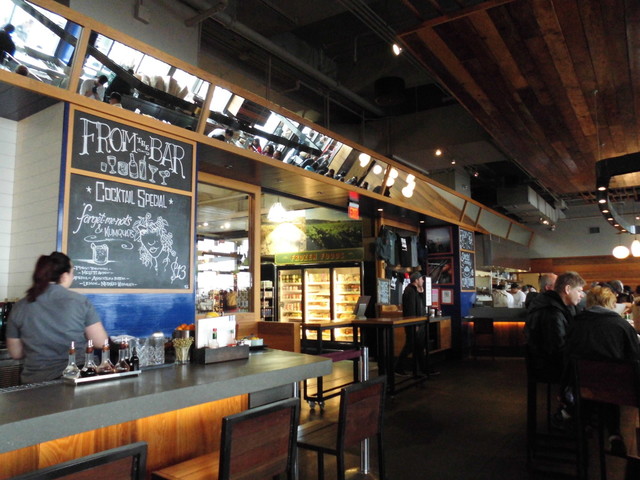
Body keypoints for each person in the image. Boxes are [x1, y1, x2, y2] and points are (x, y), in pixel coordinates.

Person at [6, 252, 109, 384]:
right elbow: (100, 342)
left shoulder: (20, 306)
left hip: (35, 382)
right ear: (64, 276)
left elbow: (16, 353)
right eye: (72, 272)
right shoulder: (79, 301)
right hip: (76, 378)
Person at [565, 285, 640, 455]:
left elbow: (567, 352)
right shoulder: (621, 325)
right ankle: (614, 434)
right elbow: (634, 356)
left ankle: (583, 423)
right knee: (608, 382)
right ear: (611, 303)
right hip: (614, 387)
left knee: (592, 382)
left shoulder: (575, 323)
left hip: (580, 383)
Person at [525, 271, 585, 381]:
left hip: (546, 361)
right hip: (549, 366)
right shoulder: (552, 313)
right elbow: (558, 349)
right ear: (567, 289)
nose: (582, 295)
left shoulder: (556, 306)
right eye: (579, 291)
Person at [396, 272, 427, 376]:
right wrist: (415, 324)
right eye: (421, 279)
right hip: (414, 324)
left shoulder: (415, 290)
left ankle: (423, 369)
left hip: (418, 322)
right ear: (416, 280)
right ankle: (398, 367)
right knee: (410, 346)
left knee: (419, 347)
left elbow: (421, 305)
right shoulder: (409, 291)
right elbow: (411, 309)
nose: (423, 281)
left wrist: (422, 292)